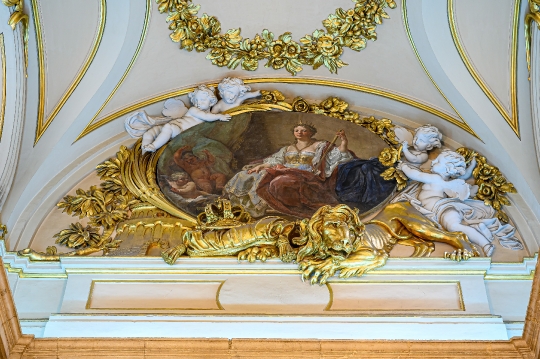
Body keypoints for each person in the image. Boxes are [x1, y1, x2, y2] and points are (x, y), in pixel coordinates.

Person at [398, 150, 523, 256]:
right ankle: (479, 229)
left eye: (437, 161)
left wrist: (403, 166)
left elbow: (415, 174)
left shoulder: (434, 178)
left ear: (448, 169)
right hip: (436, 212)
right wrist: (472, 166)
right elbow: (464, 177)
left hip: (442, 208)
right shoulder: (447, 181)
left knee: (454, 227)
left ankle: (485, 243)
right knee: (455, 227)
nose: (433, 162)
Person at [224, 123, 354, 218]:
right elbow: (276, 161)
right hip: (283, 169)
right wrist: (261, 166)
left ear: (311, 133)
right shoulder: (288, 148)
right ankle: (245, 207)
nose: (299, 132)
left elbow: (338, 154)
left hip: (305, 174)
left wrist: (343, 141)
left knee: (279, 181)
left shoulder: (319, 145)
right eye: (297, 130)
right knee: (246, 175)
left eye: (304, 130)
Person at [140, 85, 231, 153]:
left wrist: (220, 116)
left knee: (168, 127)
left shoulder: (207, 116)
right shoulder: (194, 109)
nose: (199, 103)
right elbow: (207, 117)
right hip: (170, 128)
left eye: (202, 100)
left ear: (211, 102)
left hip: (179, 131)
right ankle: (144, 155)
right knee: (148, 133)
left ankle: (154, 146)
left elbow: (207, 116)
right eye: (196, 100)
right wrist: (219, 116)